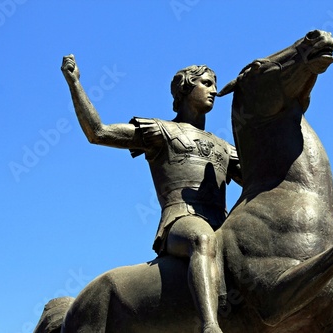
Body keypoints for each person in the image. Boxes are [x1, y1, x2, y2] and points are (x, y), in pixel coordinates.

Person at [61, 54, 242, 333]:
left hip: (224, 224)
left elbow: (262, 179)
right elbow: (98, 132)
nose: (215, 91)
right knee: (201, 238)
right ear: (185, 88)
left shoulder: (224, 148)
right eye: (206, 83)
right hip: (182, 220)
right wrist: (74, 83)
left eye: (215, 85)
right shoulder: (161, 131)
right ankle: (209, 326)